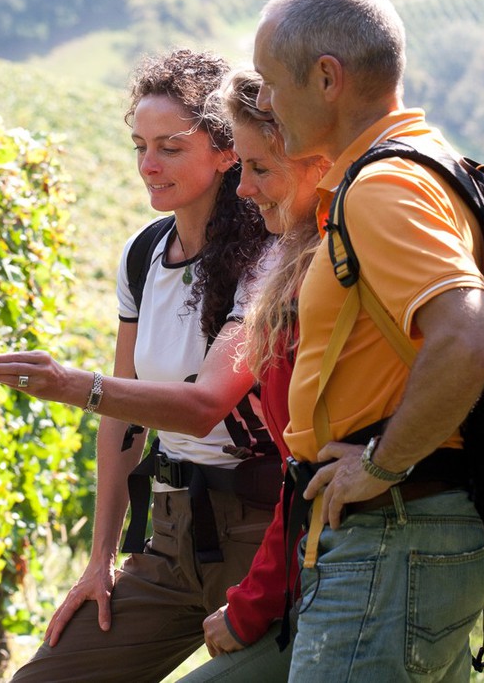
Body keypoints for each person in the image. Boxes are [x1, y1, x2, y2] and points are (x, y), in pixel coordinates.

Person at [0, 50, 275, 683]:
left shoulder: (268, 258)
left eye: (170, 148)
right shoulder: (145, 254)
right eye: (140, 146)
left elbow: (205, 407)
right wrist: (100, 561)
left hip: (261, 536)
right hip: (171, 537)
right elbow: (123, 419)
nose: (148, 165)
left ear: (227, 152)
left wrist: (69, 384)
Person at [252, 0, 484, 681]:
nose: (264, 101)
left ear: (327, 78)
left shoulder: (383, 186)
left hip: (395, 532)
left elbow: (471, 335)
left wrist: (382, 465)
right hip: (405, 534)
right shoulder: (422, 164)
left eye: (270, 81)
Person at [172, 69, 329, 682]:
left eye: (259, 168)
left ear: (315, 161)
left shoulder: (329, 273)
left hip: (350, 571)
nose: (242, 188)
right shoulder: (301, 260)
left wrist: (249, 608)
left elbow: (311, 476)